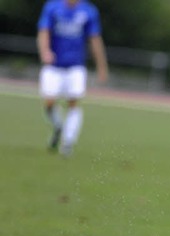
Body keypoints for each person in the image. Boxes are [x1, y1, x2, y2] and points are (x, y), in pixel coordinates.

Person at [37, 0, 108, 157]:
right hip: (54, 64)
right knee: (49, 102)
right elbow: (44, 31)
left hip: (76, 65)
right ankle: (58, 126)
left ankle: (68, 143)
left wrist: (101, 66)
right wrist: (45, 51)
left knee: (73, 102)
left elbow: (95, 39)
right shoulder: (52, 7)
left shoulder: (89, 11)